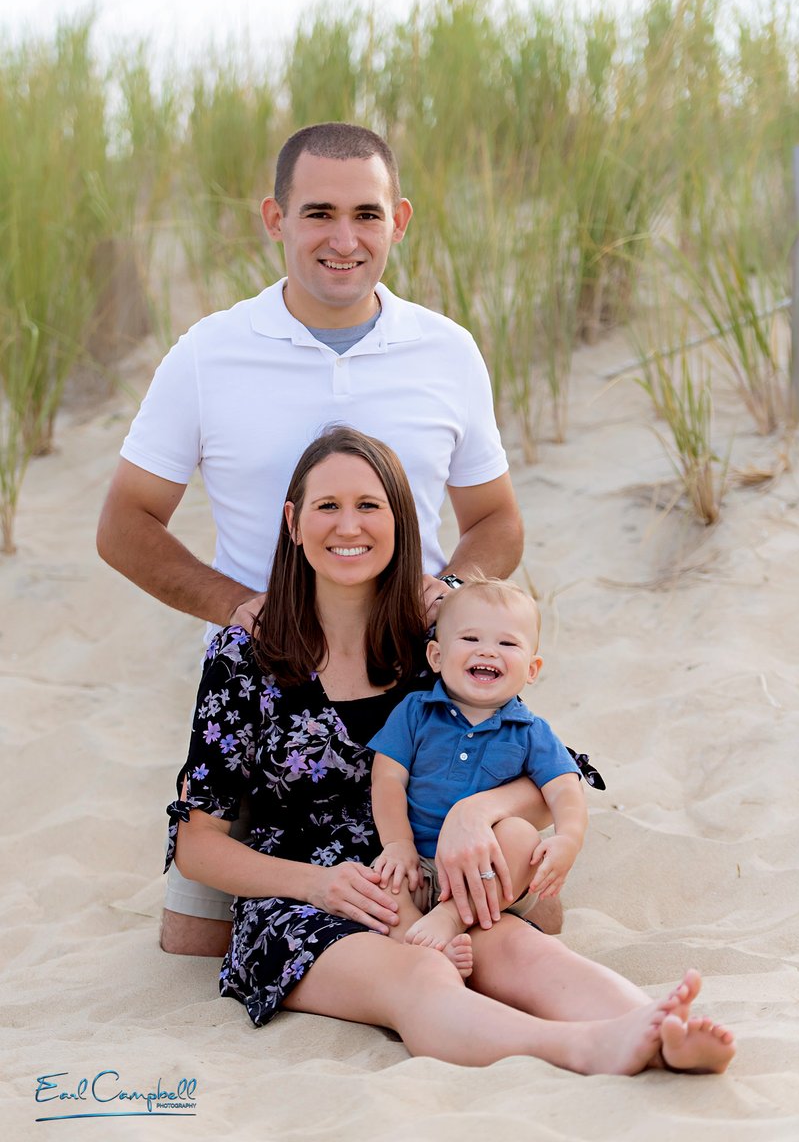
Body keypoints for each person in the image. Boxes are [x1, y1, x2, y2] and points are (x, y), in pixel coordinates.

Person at [167, 425, 736, 1074]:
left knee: (521, 951)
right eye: (327, 506)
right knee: (417, 978)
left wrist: (476, 813)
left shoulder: (435, 639)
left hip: (431, 876)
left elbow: (547, 763)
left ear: (400, 523)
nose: (347, 525)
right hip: (301, 900)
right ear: (294, 523)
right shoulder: (247, 653)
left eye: (369, 506)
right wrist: (320, 885)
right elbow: (196, 843)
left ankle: (659, 1029)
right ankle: (584, 1048)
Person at [96, 122, 533, 956]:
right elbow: (123, 525)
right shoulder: (210, 354)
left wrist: (446, 591)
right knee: (193, 945)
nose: (344, 239)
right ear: (275, 218)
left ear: (399, 220)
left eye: (367, 214)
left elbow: (497, 519)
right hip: (269, 701)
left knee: (513, 915)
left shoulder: (446, 351)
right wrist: (239, 608)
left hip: (416, 690)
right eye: (318, 213)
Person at [368, 577, 600, 959]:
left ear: (532, 668)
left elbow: (564, 788)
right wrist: (398, 845)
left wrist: (569, 837)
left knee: (521, 837)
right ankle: (419, 946)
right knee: (381, 883)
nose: (488, 652)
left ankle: (451, 918)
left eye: (507, 643)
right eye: (471, 639)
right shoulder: (414, 711)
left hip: (492, 873)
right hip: (421, 864)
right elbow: (388, 778)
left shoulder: (530, 731)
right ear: (436, 657)